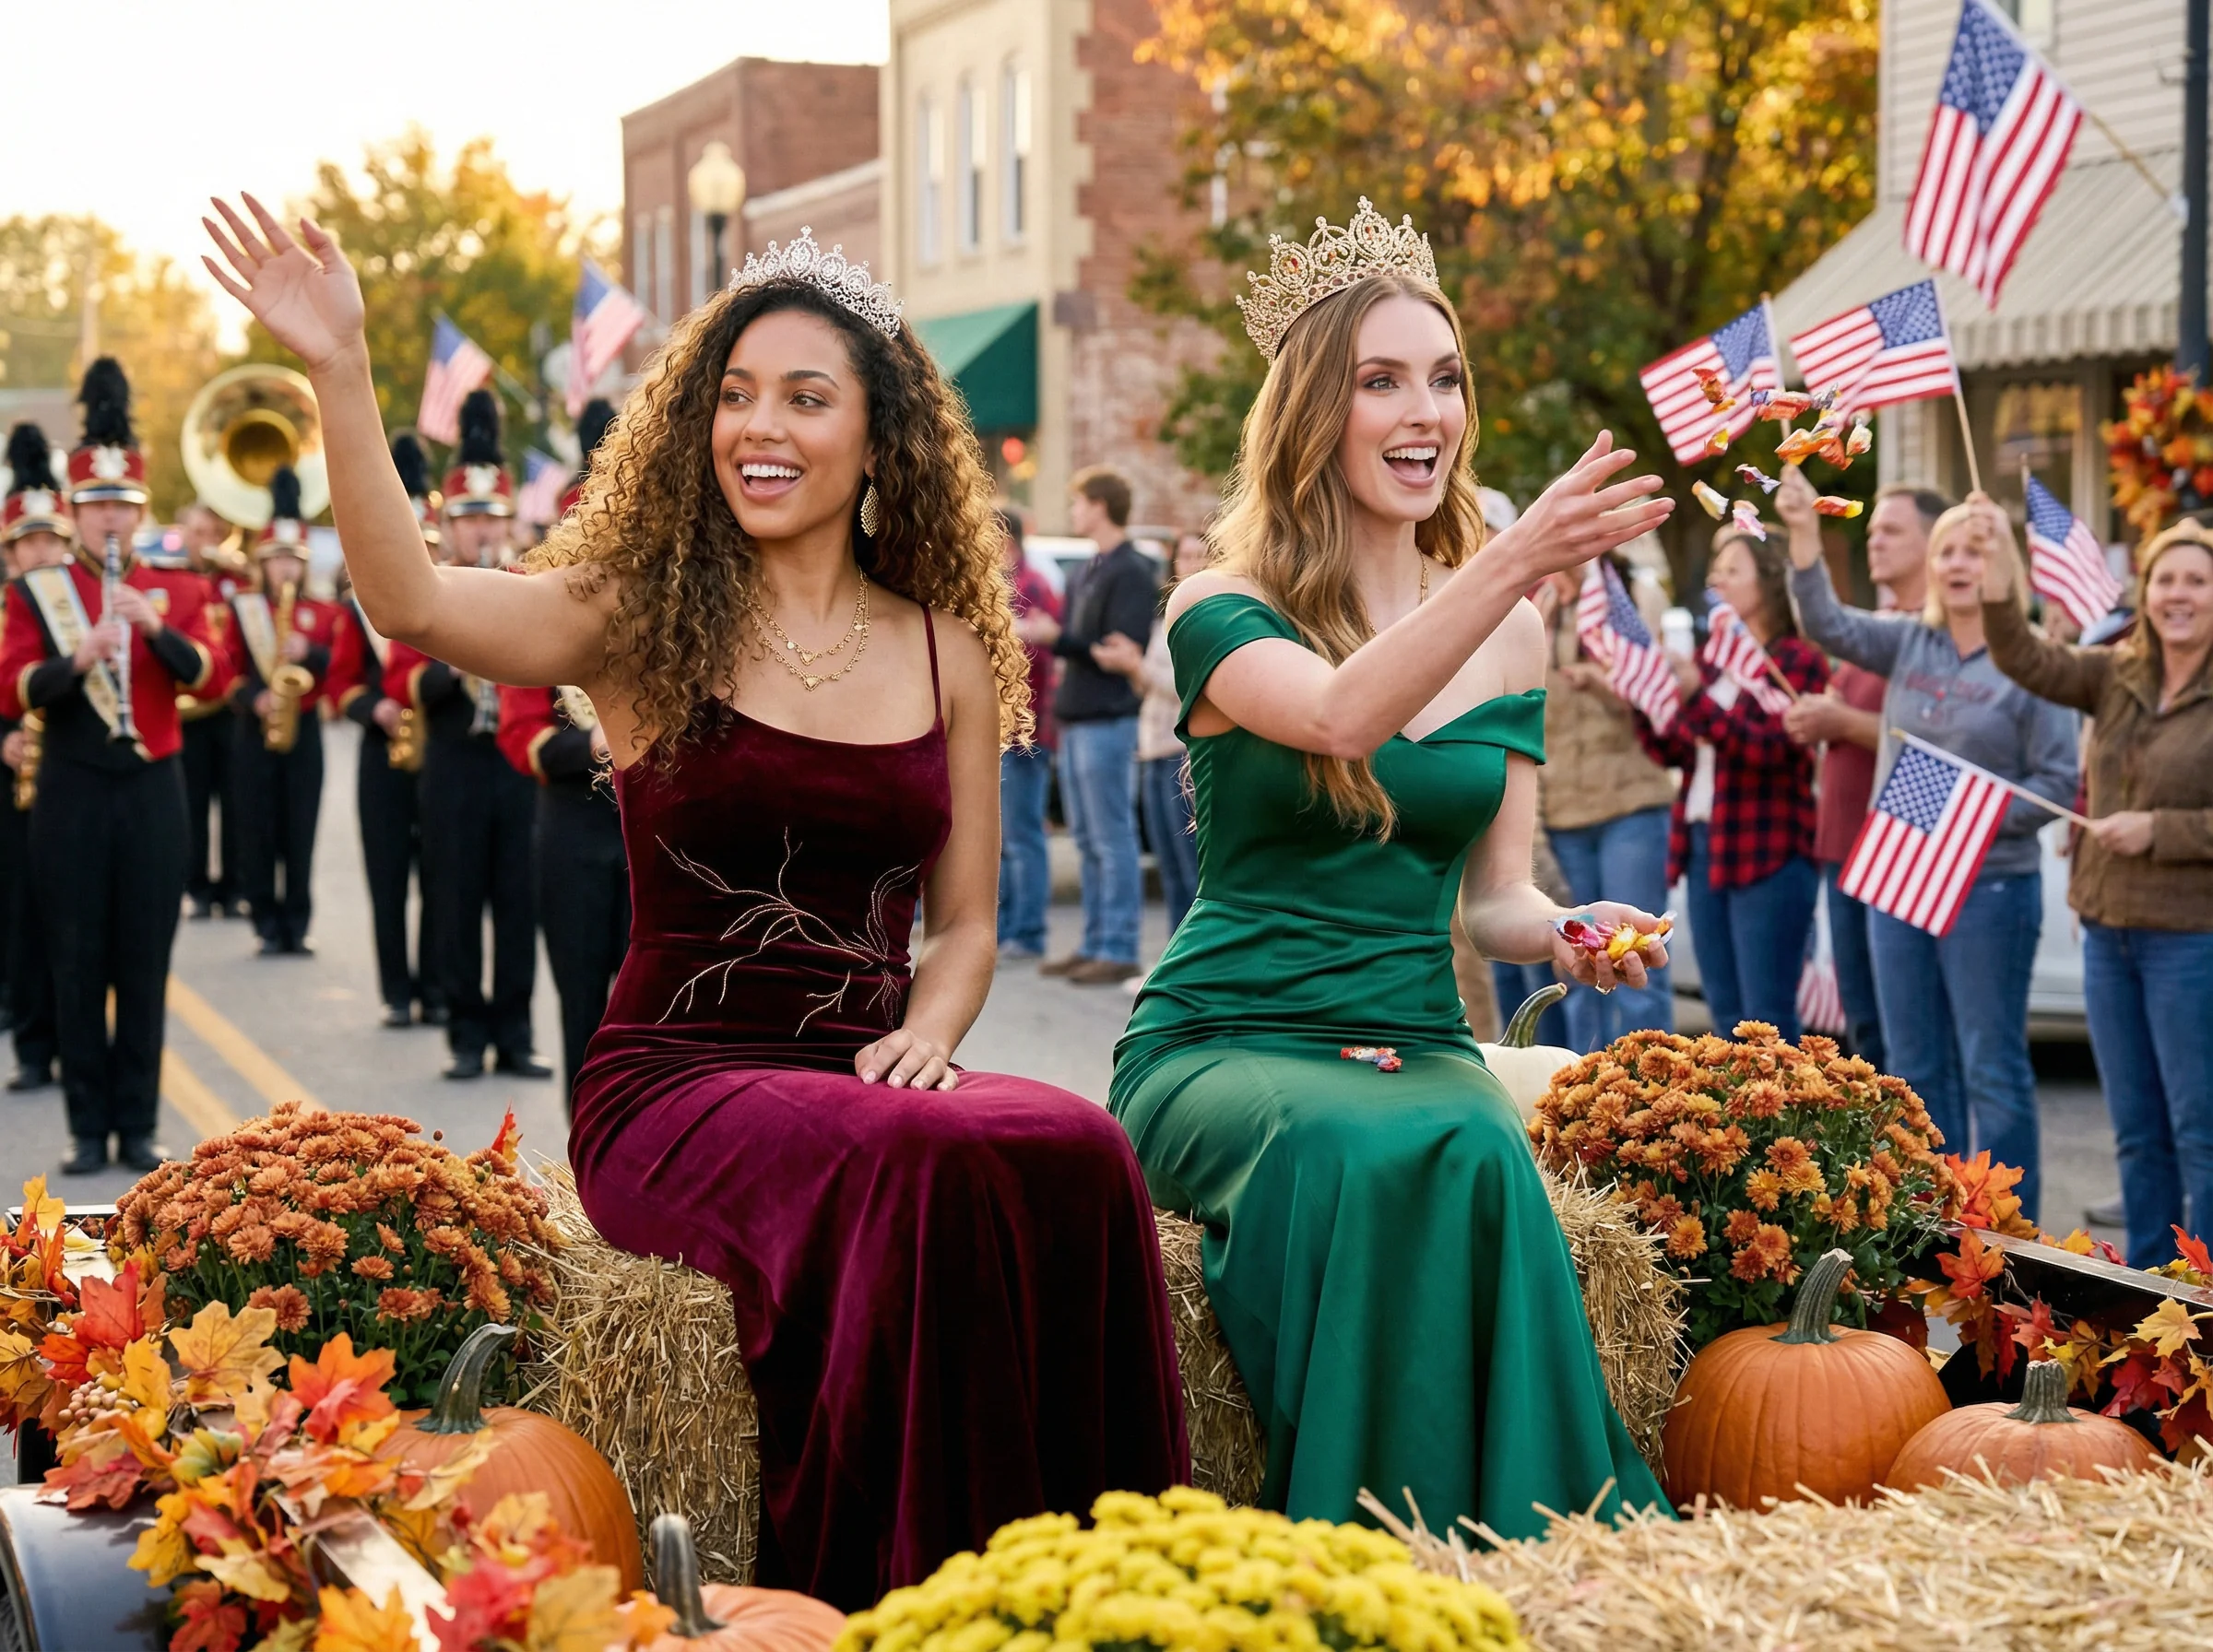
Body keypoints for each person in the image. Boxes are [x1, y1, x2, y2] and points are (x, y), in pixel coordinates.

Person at [206, 192, 1186, 1606]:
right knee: (916, 1171)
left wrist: (933, 1031)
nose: (760, 428)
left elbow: (968, 921)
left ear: (878, 439)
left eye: (804, 397)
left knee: (1080, 1146)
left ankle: (1106, 1601)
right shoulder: (638, 617)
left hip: (869, 1076)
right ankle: (902, 1608)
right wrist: (342, 373)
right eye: (733, 398)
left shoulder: (954, 649)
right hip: (676, 1088)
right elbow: (412, 601)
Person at [1110, 201, 1674, 1532]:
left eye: (1445, 378)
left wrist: (1570, 929)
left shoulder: (1511, 638)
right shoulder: (1219, 606)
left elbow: (1494, 899)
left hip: (1414, 1032)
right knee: (1352, 1149)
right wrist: (1516, 558)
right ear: (1317, 409)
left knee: (1477, 1148)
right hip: (1226, 1037)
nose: (1425, 410)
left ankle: (1520, 1551)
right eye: (1381, 380)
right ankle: (1361, 1549)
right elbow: (1337, 718)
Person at [1781, 467, 2077, 1222]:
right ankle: (1931, 1227)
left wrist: (1965, 814)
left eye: (1976, 550)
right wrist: (1806, 538)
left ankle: (2010, 1239)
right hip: (1900, 880)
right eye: (1948, 550)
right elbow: (1826, 624)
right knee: (1914, 1069)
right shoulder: (1911, 640)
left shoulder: (2031, 660)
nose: (1958, 564)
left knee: (1992, 1070)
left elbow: (2058, 779)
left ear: (2004, 565)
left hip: (1991, 888)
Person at [0, 360, 222, 1175]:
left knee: (144, 957)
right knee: (77, 954)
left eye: (122, 508)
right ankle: (86, 1129)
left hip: (154, 787)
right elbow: (9, 684)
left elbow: (215, 676)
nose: (109, 524)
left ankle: (137, 1125)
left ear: (139, 510)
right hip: (72, 787)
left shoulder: (176, 588)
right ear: (76, 513)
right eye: (95, 509)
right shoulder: (39, 593)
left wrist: (153, 631)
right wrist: (77, 659)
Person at [1980, 513, 2213, 1266]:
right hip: (2109, 934)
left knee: (2199, 1130)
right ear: (2146, 594)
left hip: (2190, 938)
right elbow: (2026, 658)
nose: (2179, 595)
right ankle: (2153, 1291)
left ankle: (2206, 1294)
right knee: (2138, 1131)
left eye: (2197, 582)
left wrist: (2161, 830)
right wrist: (1996, 578)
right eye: (2167, 580)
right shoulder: (2118, 672)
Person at [383, 390, 548, 1081]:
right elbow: (402, 682)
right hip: (452, 757)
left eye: (493, 517)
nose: (482, 531)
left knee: (518, 899)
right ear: (448, 525)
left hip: (513, 765)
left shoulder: (532, 579)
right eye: (470, 518)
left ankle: (513, 1031)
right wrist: (454, 659)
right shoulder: (428, 587)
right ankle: (462, 1031)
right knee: (453, 896)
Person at [1630, 527, 1828, 1040]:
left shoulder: (1795, 660)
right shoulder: (1713, 657)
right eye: (1716, 568)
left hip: (1768, 849)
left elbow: (1771, 750)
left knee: (1766, 1019)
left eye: (1732, 570)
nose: (1718, 579)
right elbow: (1677, 751)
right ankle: (1736, 1120)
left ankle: (1781, 1119)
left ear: (1769, 580)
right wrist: (1646, 699)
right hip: (1705, 844)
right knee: (1724, 1015)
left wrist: (1696, 698)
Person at [1781, 485, 1947, 1069]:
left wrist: (1844, 720)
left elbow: (1940, 741)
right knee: (1866, 1027)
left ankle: (1923, 1156)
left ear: (1935, 543)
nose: (1874, 540)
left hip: (1902, 848)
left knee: (1911, 1034)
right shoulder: (1873, 629)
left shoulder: (1935, 635)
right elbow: (1823, 622)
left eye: (1892, 531)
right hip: (1844, 843)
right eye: (1872, 529)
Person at [1533, 554, 1677, 1050]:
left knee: (1640, 966)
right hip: (1564, 812)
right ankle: (1588, 1103)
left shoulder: (1632, 594)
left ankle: (1650, 1103)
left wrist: (1603, 681)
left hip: (1631, 807)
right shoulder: (1545, 604)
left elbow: (1660, 693)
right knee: (1577, 972)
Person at [329, 435, 442, 1027]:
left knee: (444, 880)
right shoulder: (357, 610)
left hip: (439, 752)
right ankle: (397, 990)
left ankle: (439, 987)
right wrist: (370, 706)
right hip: (384, 754)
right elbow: (340, 685)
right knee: (389, 876)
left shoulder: (454, 602)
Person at [1033, 468, 1157, 984]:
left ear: (1102, 505)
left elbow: (1119, 651)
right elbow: (1089, 646)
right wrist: (1064, 640)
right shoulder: (1089, 568)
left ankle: (1119, 945)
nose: (1076, 510)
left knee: (1112, 837)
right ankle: (1093, 941)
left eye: (1081, 502)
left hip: (1109, 717)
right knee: (1085, 837)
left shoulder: (1131, 569)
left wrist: (1055, 636)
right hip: (1078, 715)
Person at [222, 466, 339, 956]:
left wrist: (307, 653)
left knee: (300, 825)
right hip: (255, 730)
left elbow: (339, 667)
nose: (287, 569)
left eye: (294, 559)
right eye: (278, 560)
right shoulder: (244, 609)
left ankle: (297, 919)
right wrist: (257, 698)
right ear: (263, 563)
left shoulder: (323, 612)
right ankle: (264, 918)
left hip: (304, 727)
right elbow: (226, 673)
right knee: (257, 825)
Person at [497, 680, 626, 1105]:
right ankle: (585, 1137)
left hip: (649, 833)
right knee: (581, 999)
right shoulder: (546, 638)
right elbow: (521, 738)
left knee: (654, 1002)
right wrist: (591, 742)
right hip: (574, 837)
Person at [1094, 527, 1208, 938]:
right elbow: (1150, 687)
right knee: (1170, 868)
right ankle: (1174, 960)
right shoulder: (1167, 616)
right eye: (1185, 556)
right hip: (1154, 748)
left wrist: (1136, 667)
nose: (1192, 564)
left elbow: (1188, 686)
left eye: (1201, 556)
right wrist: (1134, 667)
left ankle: (1197, 969)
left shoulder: (1211, 613)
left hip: (1185, 753)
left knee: (1192, 870)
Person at [0, 425, 69, 1094]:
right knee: (20, 914)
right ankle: (30, 1041)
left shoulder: (73, 608)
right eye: (28, 542)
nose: (40, 551)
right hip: (10, 779)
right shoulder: (9, 607)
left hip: (68, 778)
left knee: (67, 919)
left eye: (51, 540)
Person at [172, 500, 242, 918]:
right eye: (198, 533)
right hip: (189, 711)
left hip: (229, 709)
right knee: (192, 804)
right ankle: (195, 886)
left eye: (213, 533)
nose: (206, 542)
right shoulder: (173, 580)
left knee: (235, 803)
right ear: (183, 536)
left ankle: (234, 888)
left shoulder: (236, 581)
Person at [997, 507, 1060, 958]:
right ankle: (1004, 930)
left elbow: (1044, 649)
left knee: (1023, 836)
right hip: (999, 731)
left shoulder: (1032, 585)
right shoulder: (999, 584)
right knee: (999, 840)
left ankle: (1029, 933)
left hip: (1026, 731)